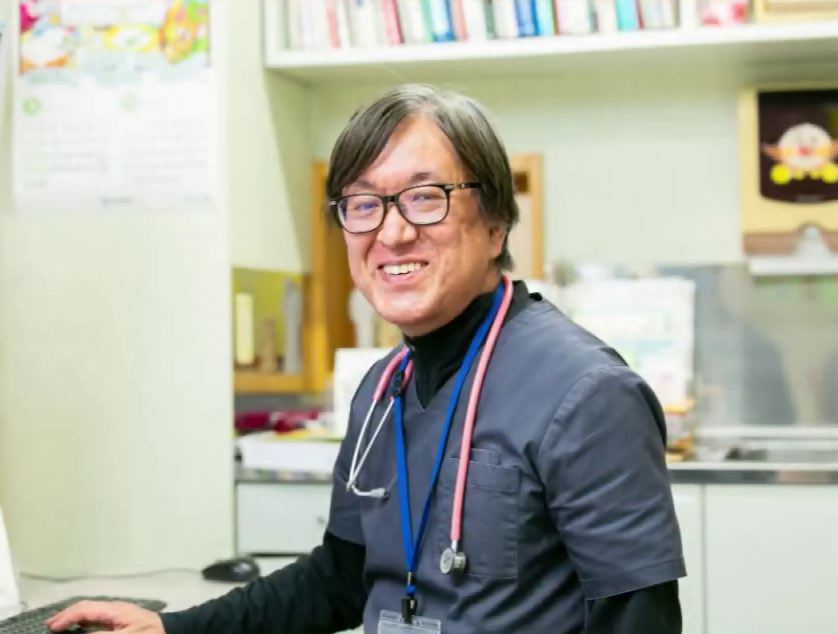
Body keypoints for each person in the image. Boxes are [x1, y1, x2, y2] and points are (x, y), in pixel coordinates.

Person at [46, 84, 685, 634]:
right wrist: (171, 627)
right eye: (363, 204)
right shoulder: (382, 389)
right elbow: (342, 576)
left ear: (496, 226)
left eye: (425, 196)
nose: (392, 232)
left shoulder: (586, 393)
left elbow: (638, 618)